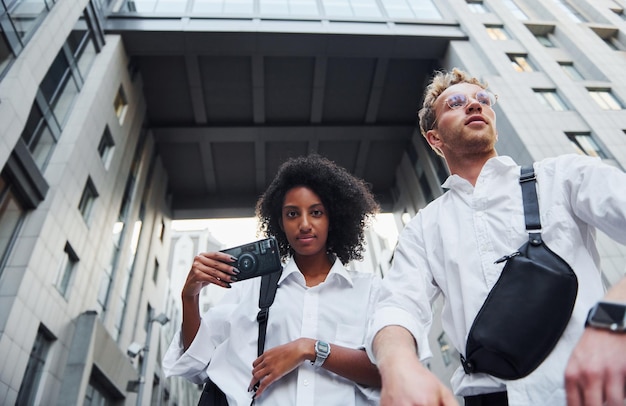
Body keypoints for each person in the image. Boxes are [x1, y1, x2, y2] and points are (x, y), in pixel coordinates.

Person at [365, 67, 626, 406]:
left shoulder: (564, 177)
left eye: (482, 100)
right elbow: (396, 306)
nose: (474, 105)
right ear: (434, 138)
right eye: (456, 103)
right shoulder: (425, 227)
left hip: (588, 389)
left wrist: (612, 320)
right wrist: (399, 366)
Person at [163, 154, 382, 405]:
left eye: (316, 212)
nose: (304, 224)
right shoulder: (252, 289)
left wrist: (309, 348)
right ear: (280, 222)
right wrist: (189, 297)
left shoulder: (369, 290)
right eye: (292, 214)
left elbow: (388, 370)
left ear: (333, 218)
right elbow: (198, 363)